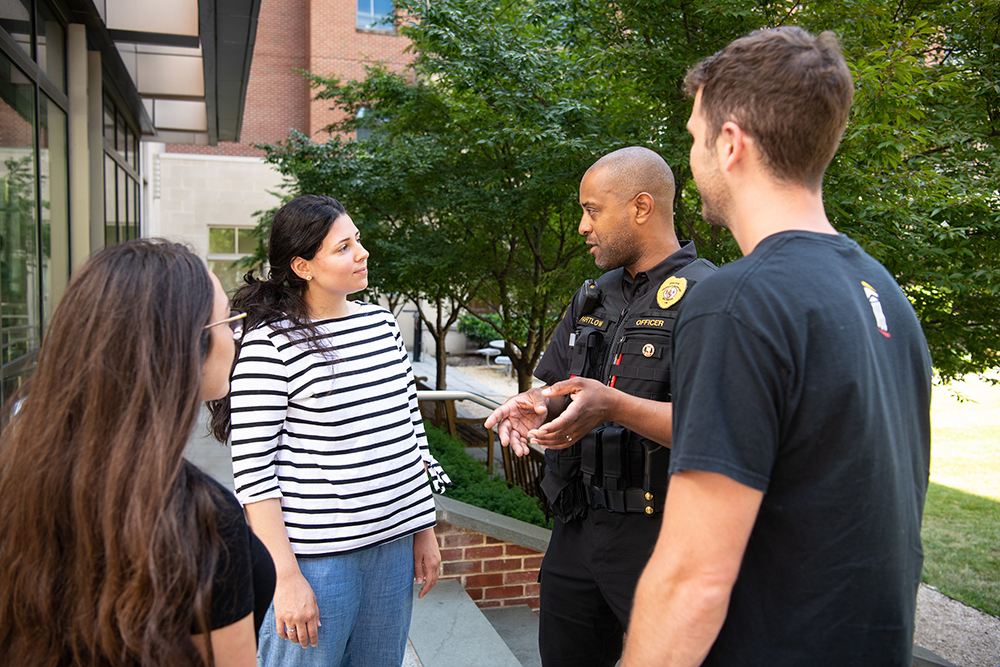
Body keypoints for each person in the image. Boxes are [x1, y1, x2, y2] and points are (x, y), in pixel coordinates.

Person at [622, 27, 933, 667]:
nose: (693, 157)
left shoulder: (736, 303)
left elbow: (691, 580)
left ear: (730, 144)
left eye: (693, 137)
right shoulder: (883, 292)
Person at [485, 147, 715, 667]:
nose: (583, 226)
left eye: (592, 210)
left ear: (641, 207)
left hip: (659, 542)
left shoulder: (711, 295)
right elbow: (553, 388)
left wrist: (612, 406)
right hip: (576, 527)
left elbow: (716, 432)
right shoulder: (592, 296)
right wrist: (533, 405)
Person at [0, 240, 275, 667]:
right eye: (227, 321)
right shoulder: (202, 518)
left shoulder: (15, 473)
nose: (235, 337)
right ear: (185, 348)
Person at [210, 194, 447, 667]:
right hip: (317, 561)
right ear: (303, 266)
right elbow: (255, 474)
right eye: (343, 247)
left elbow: (410, 432)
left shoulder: (381, 325)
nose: (362, 253)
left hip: (393, 550)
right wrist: (285, 578)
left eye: (357, 240)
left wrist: (424, 529)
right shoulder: (270, 343)